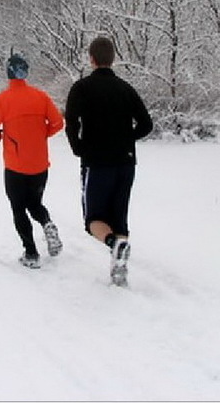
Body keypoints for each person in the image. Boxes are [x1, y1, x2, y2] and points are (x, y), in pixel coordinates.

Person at [65, 36, 153, 286]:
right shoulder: (126, 89)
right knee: (119, 215)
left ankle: (114, 245)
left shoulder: (80, 88)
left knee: (93, 220)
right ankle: (118, 269)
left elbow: (71, 123)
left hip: (96, 162)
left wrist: (79, 148)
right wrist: (126, 139)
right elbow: (147, 124)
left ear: (91, 59)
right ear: (112, 59)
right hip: (126, 163)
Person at [0, 53, 65, 269]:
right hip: (39, 165)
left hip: (15, 166)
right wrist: (40, 134)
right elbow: (57, 123)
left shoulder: (3, 100)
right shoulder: (41, 96)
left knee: (19, 208)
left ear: (8, 73)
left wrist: (0, 136)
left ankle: (31, 253)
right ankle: (47, 223)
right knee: (34, 203)